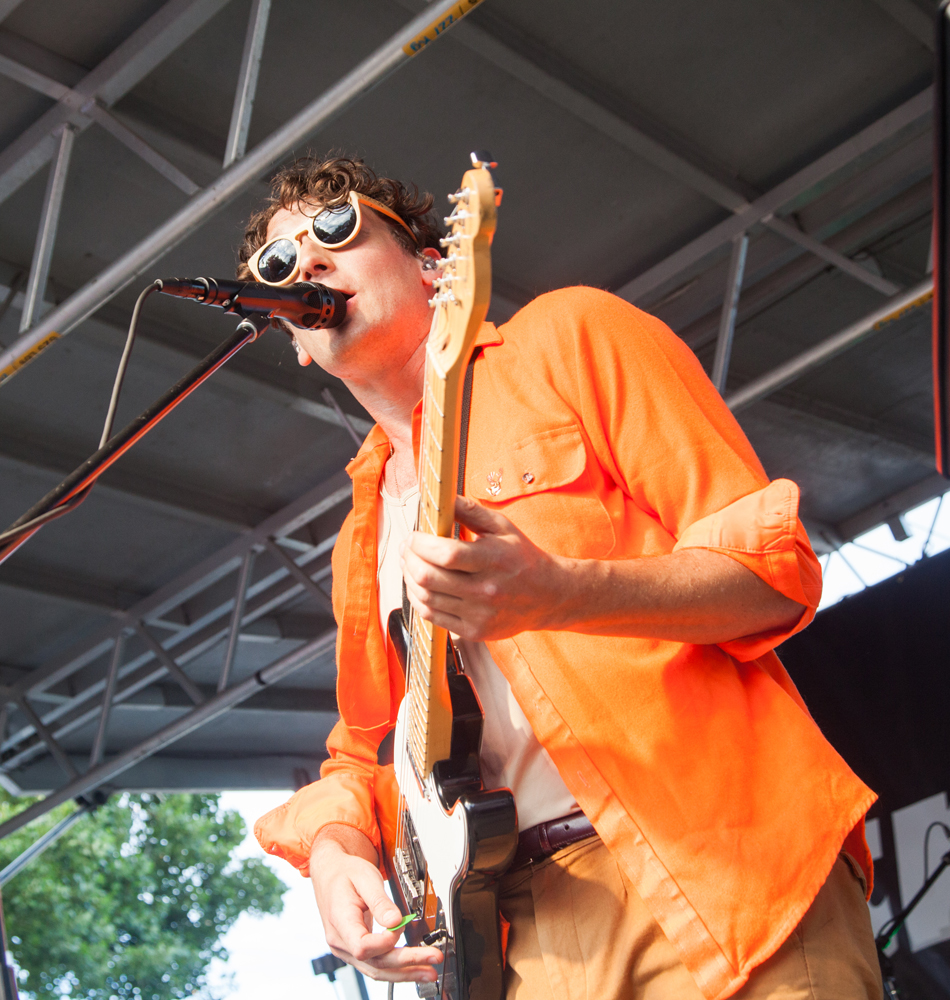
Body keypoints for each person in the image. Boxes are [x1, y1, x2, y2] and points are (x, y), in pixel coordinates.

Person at [242, 156, 881, 1000]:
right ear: (294, 342)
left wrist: (565, 592)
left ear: (434, 261)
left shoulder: (569, 337)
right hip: (523, 936)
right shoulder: (359, 540)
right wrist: (335, 853)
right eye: (278, 268)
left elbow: (773, 572)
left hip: (717, 859)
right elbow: (364, 752)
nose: (308, 264)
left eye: (335, 231)